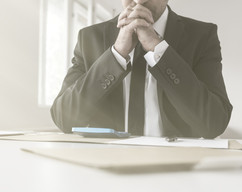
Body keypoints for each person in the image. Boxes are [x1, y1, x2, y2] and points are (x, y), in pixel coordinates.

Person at [51, 0, 232, 139]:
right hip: (107, 167)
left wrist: (158, 49)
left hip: (176, 169)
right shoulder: (90, 37)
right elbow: (63, 118)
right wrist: (116, 54)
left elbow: (214, 122)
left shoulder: (201, 36)